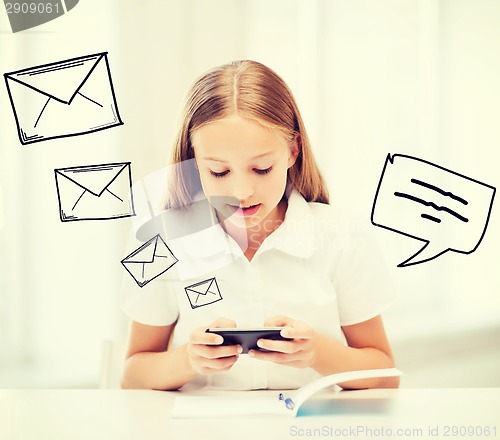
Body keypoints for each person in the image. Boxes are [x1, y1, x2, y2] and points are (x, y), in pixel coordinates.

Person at [120, 60, 399, 391]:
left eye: (262, 168)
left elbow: (384, 374)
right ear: (193, 162)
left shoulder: (343, 235)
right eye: (218, 172)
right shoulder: (159, 241)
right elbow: (132, 376)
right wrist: (188, 360)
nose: (241, 192)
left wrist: (317, 353)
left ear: (293, 151)